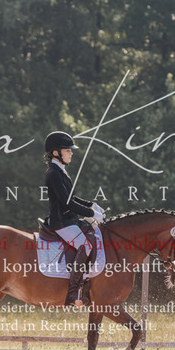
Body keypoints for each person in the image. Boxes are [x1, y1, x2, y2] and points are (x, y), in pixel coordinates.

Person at [44, 131, 105, 307]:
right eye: (67, 150)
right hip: (61, 222)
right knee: (85, 246)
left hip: (68, 220)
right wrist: (90, 213)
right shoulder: (54, 173)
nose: (71, 153)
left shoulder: (60, 171)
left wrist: (91, 205)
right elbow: (67, 202)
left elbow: (72, 197)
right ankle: (72, 294)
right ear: (56, 152)